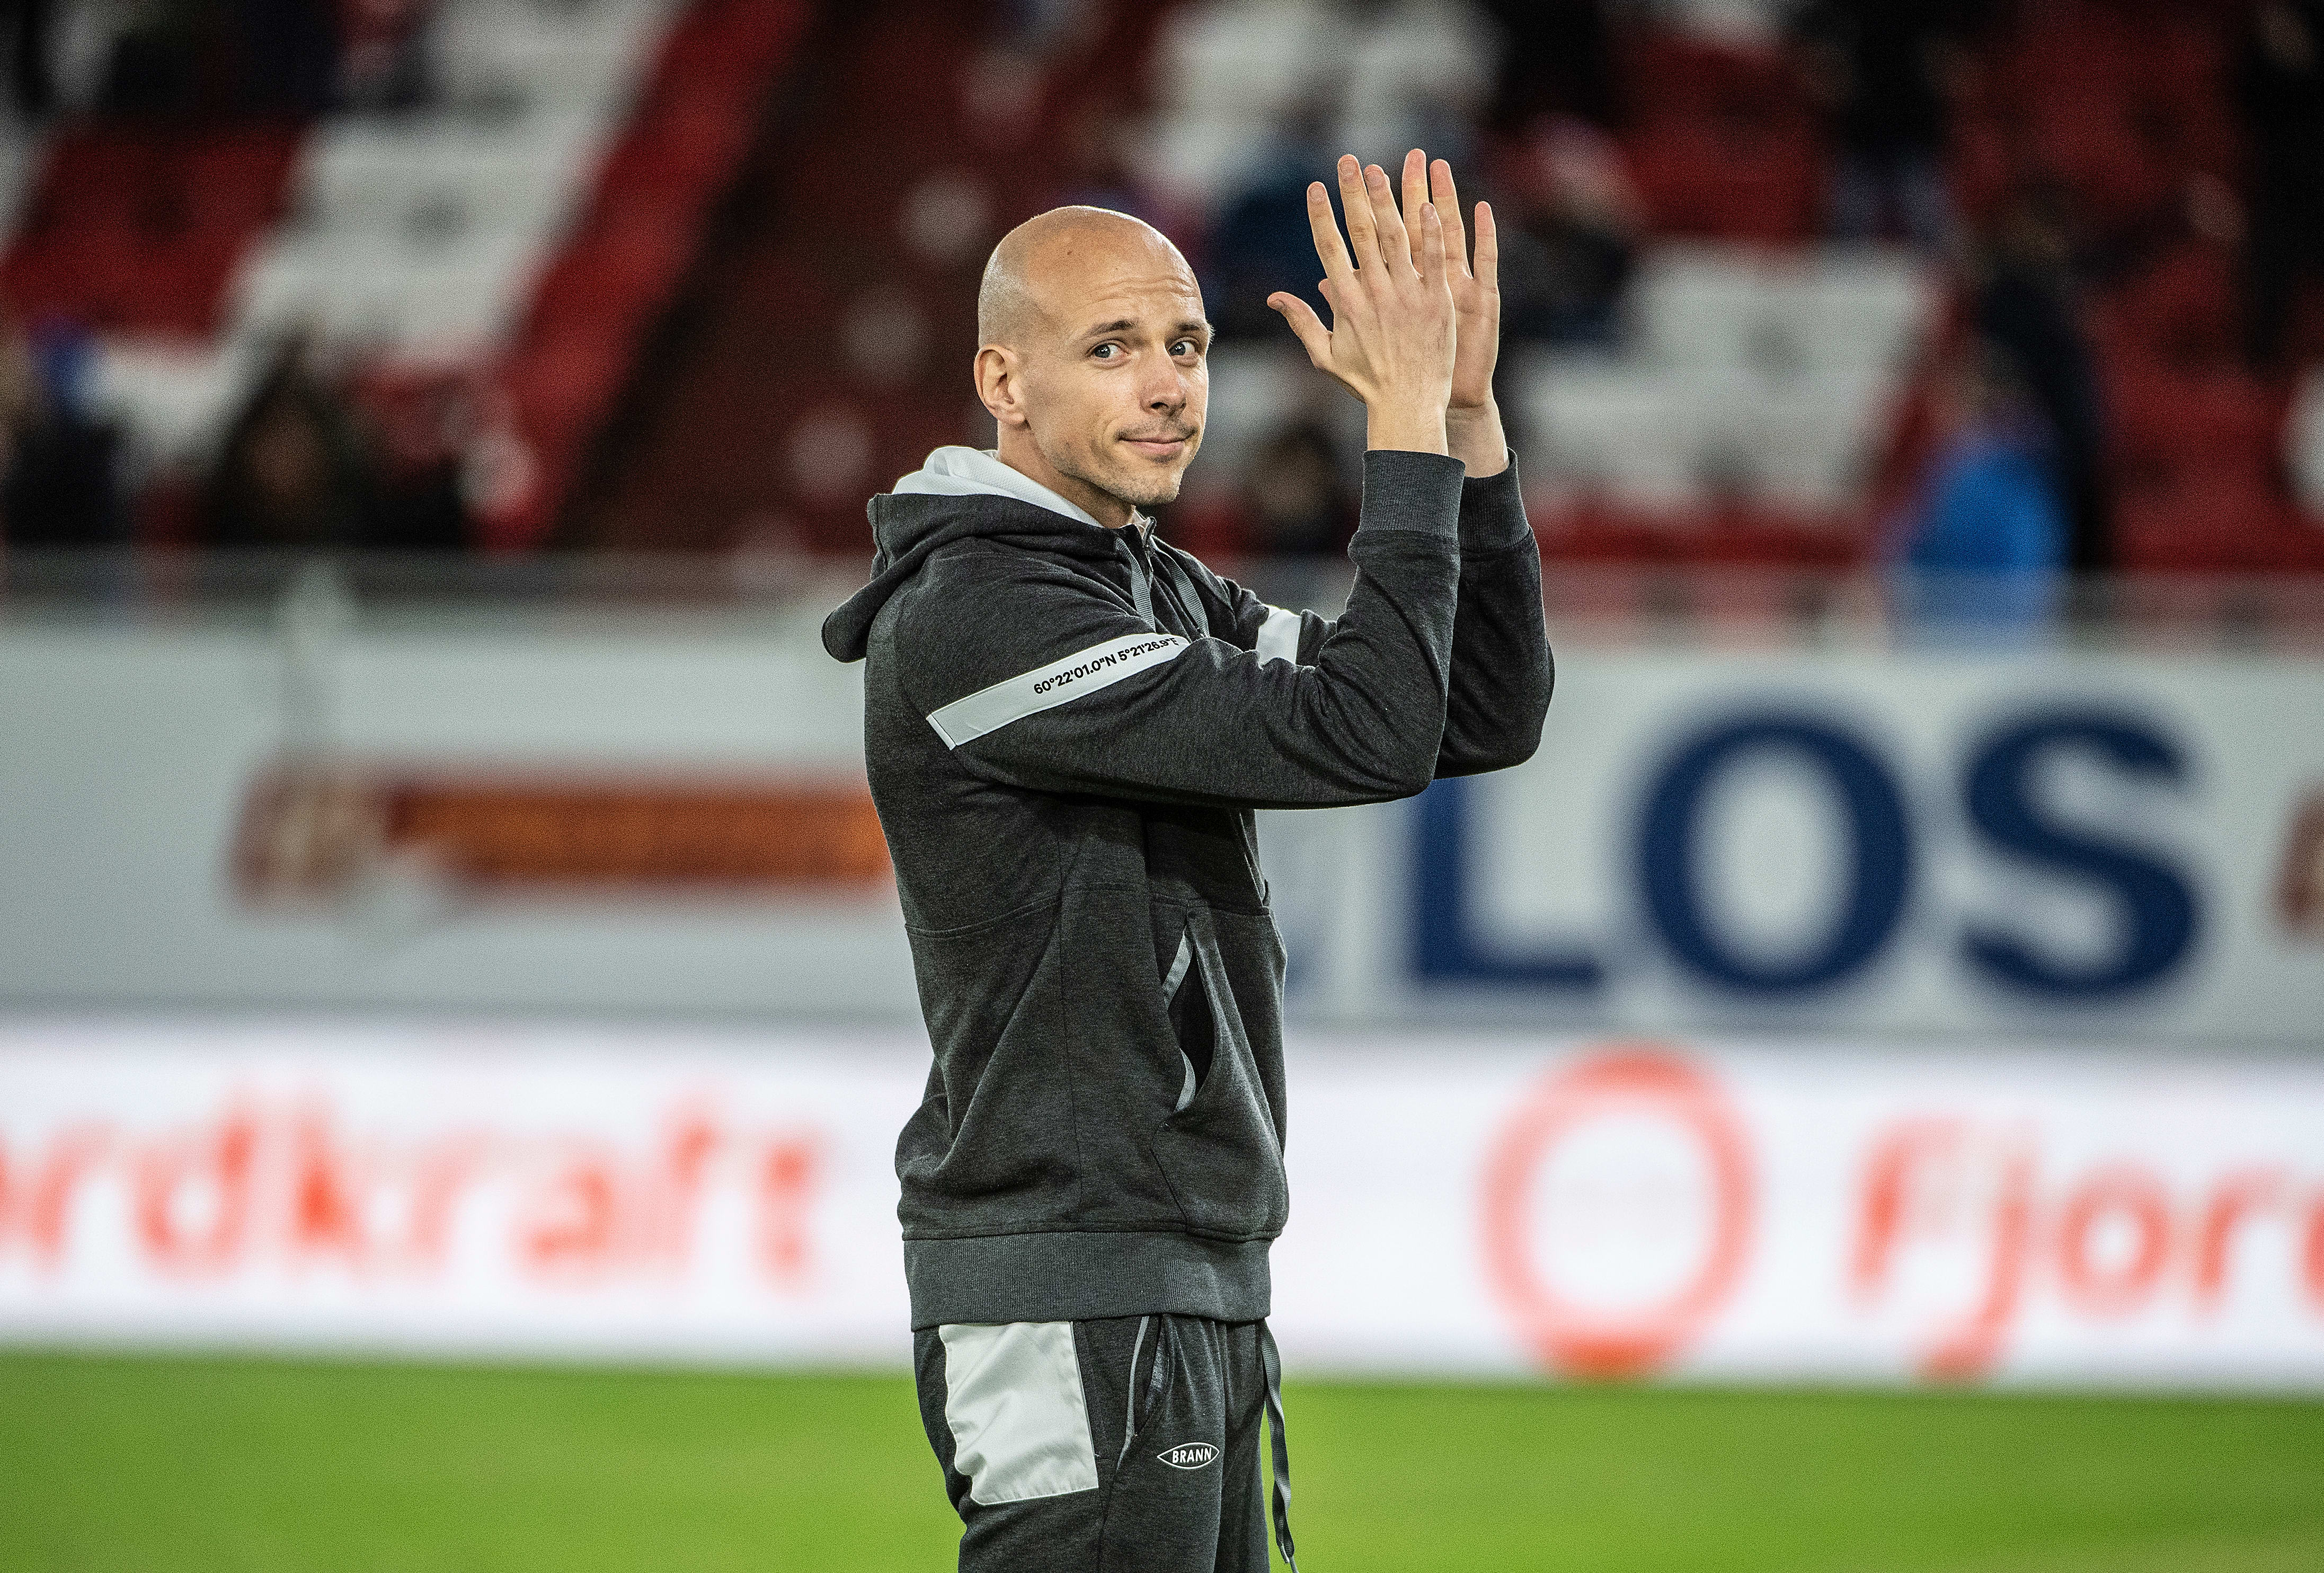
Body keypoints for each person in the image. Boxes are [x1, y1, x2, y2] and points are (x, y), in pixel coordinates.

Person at [820, 151, 1551, 1571]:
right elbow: (1364, 732)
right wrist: (1398, 423)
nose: (1167, 384)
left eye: (1187, 344)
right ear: (1002, 380)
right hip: (1072, 1267)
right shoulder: (983, 610)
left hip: (1176, 1261)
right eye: (1112, 348)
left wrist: (1464, 419)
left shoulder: (1137, 579)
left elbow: (1471, 711)